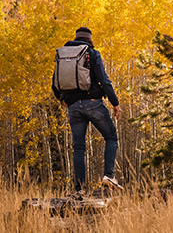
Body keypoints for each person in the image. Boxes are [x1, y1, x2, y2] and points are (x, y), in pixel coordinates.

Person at [52, 27, 122, 192]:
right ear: (90, 39)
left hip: (74, 107)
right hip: (93, 102)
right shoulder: (92, 53)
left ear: (75, 38)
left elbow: (54, 83)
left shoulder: (63, 55)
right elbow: (104, 80)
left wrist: (62, 99)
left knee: (79, 147)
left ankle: (80, 189)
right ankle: (108, 176)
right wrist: (115, 103)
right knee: (111, 137)